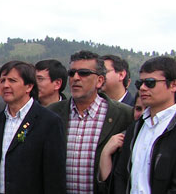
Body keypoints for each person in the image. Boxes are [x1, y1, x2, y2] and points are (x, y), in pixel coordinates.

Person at [47, 50, 133, 193]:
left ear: (99, 80)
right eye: (72, 73)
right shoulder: (52, 113)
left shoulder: (122, 115)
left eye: (84, 73)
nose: (75, 78)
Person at [0, 61, 66, 194]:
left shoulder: (49, 122)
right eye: (3, 80)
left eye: (12, 80)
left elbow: (54, 176)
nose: (6, 85)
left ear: (29, 86)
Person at [113, 56, 176, 193]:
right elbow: (121, 175)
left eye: (150, 82)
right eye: (140, 83)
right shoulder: (136, 127)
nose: (142, 88)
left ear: (174, 85)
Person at [97, 92, 146, 193]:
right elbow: (110, 184)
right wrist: (105, 153)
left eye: (147, 108)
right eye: (138, 109)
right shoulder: (123, 139)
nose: (142, 114)